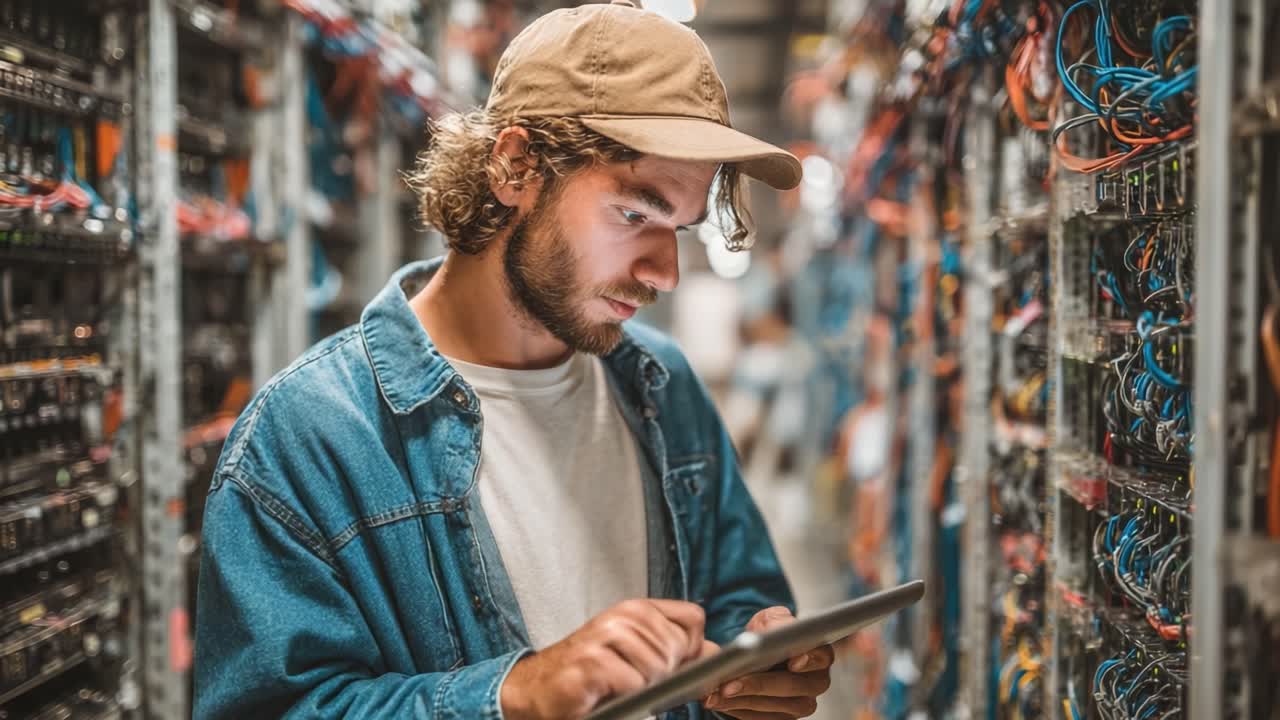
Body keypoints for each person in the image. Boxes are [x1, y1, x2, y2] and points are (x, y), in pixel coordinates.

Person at [193, 2, 835, 718]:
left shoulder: (660, 385)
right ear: (515, 165)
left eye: (679, 228)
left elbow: (737, 594)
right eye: (634, 215)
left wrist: (749, 655)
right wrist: (511, 695)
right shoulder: (309, 438)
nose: (666, 272)